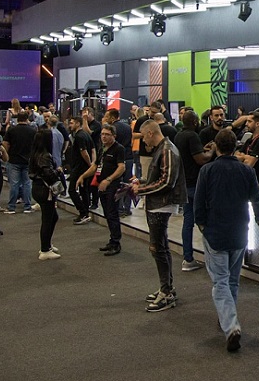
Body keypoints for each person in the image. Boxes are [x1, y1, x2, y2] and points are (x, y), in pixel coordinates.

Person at [194, 129, 259, 351]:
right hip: (239, 233)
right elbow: (258, 204)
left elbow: (198, 205)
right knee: (232, 280)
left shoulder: (207, 171)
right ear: (235, 147)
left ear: (216, 146)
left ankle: (231, 326)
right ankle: (227, 317)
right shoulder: (247, 171)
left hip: (215, 233)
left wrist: (203, 228)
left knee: (220, 281)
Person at [133, 120, 186, 312]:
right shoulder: (163, 149)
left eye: (142, 136)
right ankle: (167, 288)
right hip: (158, 205)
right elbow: (161, 179)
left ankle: (167, 292)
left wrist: (141, 189)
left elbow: (167, 182)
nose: (142, 141)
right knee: (160, 248)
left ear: (150, 133)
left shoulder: (167, 150)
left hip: (161, 206)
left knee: (158, 248)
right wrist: (141, 182)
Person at [174, 110, 214, 272]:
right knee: (205, 220)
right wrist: (212, 151)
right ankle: (213, 258)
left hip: (184, 183)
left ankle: (188, 258)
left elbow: (190, 154)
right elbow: (201, 159)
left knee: (188, 221)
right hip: (195, 184)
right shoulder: (192, 136)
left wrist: (201, 149)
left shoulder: (179, 136)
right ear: (196, 122)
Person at [28, 129, 63, 261]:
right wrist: (58, 171)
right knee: (48, 219)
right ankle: (45, 249)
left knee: (53, 217)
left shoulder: (35, 154)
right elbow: (48, 174)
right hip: (45, 190)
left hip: (37, 188)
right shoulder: (45, 155)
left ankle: (47, 244)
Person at [93, 124, 126, 256]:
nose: (104, 137)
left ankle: (116, 242)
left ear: (114, 136)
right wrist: (82, 177)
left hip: (113, 185)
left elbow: (121, 167)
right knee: (107, 213)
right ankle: (112, 240)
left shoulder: (119, 149)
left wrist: (109, 179)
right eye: (102, 134)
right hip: (102, 185)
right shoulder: (102, 149)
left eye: (107, 134)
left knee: (112, 213)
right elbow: (96, 165)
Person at [3, 111, 36, 214]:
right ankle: (27, 207)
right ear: (27, 119)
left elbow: (5, 143)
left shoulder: (11, 130)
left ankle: (11, 207)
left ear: (17, 119)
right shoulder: (33, 131)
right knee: (27, 184)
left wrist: (7, 155)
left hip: (14, 160)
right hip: (28, 161)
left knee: (14, 184)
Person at [67, 115, 95, 225]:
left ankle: (83, 212)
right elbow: (93, 149)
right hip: (84, 167)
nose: (70, 125)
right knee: (84, 190)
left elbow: (84, 152)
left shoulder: (79, 136)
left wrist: (90, 164)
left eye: (72, 123)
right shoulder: (86, 134)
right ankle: (85, 213)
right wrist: (92, 164)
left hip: (79, 168)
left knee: (72, 190)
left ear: (78, 123)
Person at [235, 111, 259, 183]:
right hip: (247, 179)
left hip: (257, 181)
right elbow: (236, 155)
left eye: (249, 121)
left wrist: (243, 156)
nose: (246, 124)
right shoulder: (249, 140)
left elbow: (249, 164)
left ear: (257, 124)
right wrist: (246, 157)